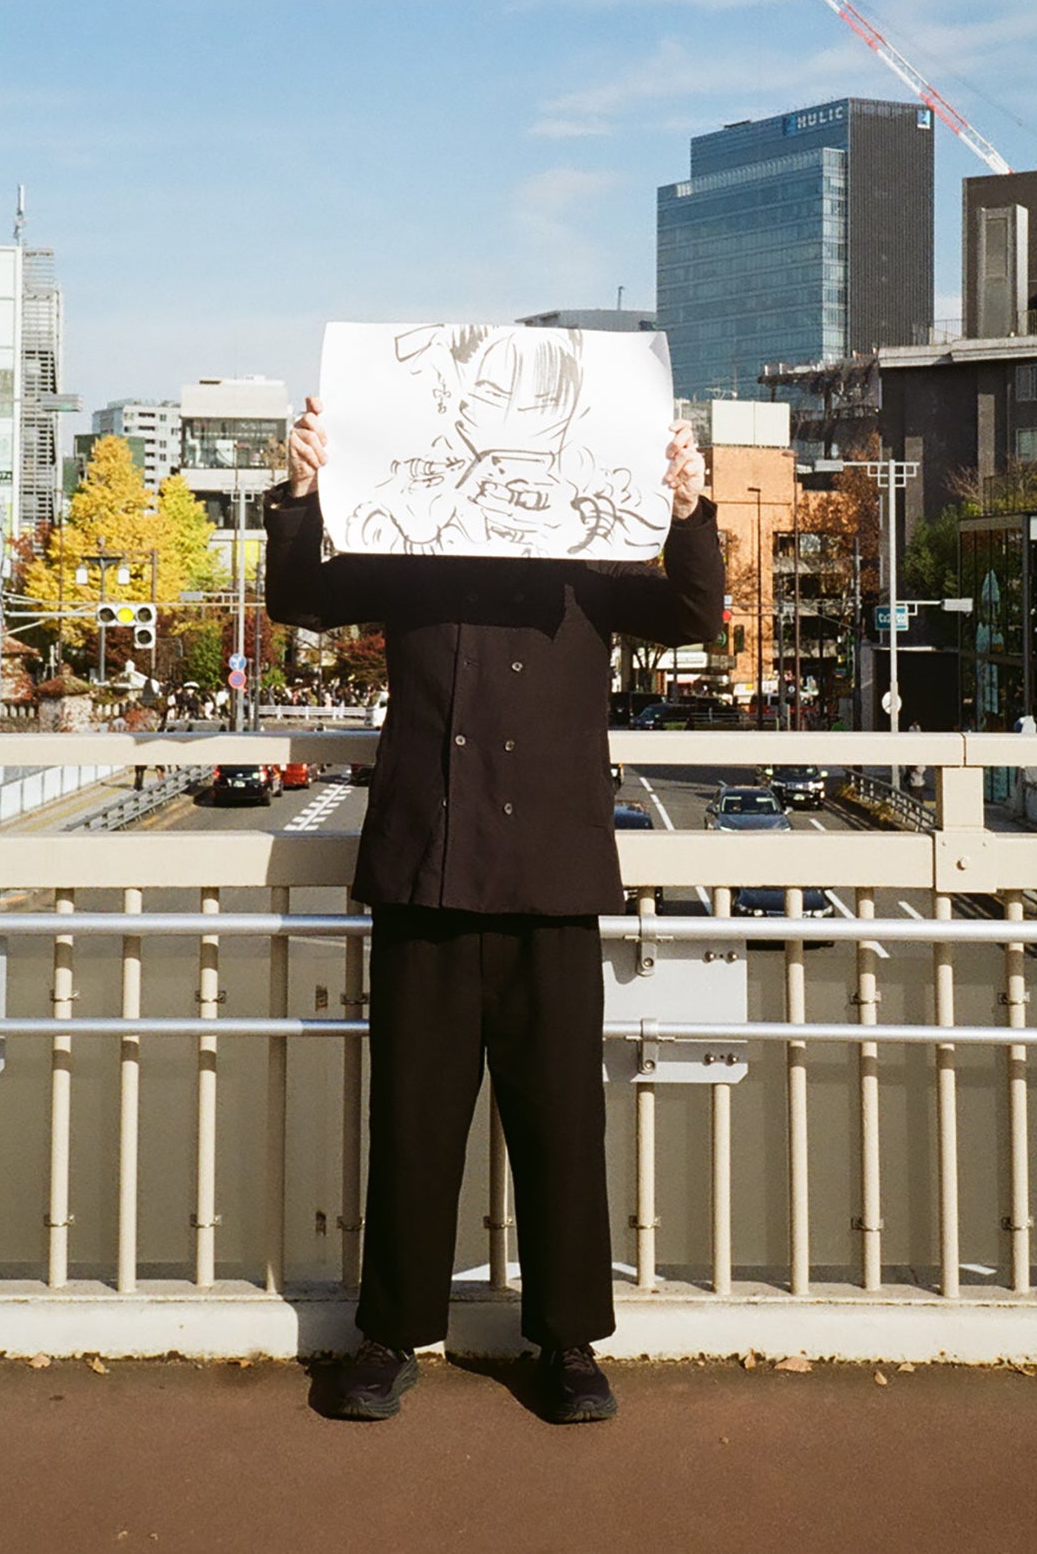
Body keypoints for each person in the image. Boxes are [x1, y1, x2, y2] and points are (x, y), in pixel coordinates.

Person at [265, 392, 723, 1424]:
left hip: (552, 880)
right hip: (426, 870)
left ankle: (566, 1344)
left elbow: (692, 616)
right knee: (412, 1123)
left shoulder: (595, 559)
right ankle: (387, 1335)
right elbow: (302, 597)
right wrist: (302, 490)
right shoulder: (409, 545)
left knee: (562, 1125)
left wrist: (688, 511)